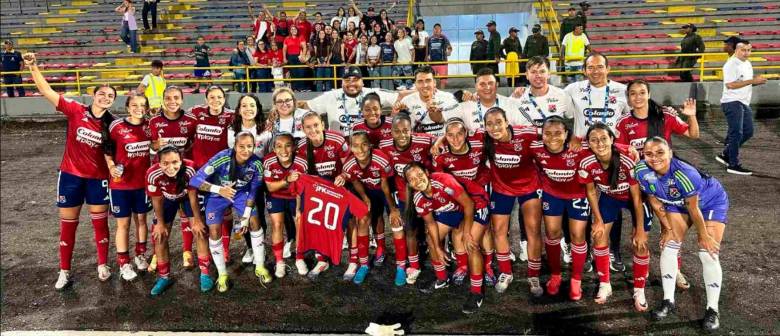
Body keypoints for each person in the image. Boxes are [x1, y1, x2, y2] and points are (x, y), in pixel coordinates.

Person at [24, 53, 116, 290]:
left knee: (100, 225)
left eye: (110, 96)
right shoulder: (76, 110)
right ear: (93, 95)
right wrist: (33, 67)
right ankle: (64, 271)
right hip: (70, 177)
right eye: (102, 94)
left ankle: (103, 265)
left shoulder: (113, 124)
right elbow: (47, 92)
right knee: (68, 224)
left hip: (98, 180)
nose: (106, 98)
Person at [636, 137, 728, 331]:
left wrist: (703, 237)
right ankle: (668, 300)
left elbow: (693, 209)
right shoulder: (641, 170)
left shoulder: (683, 173)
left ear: (670, 151)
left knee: (707, 252)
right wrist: (667, 229)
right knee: (668, 247)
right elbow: (653, 199)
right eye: (649, 154)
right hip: (677, 203)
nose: (654, 158)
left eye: (660, 152)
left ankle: (713, 309)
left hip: (709, 202)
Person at [578, 123, 651, 308]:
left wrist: (640, 228)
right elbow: (591, 192)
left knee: (640, 242)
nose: (599, 143)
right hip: (610, 198)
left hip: (635, 199)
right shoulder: (587, 163)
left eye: (604, 138)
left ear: (612, 139)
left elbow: (636, 198)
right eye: (594, 140)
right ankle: (605, 284)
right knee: (599, 236)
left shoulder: (626, 159)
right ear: (589, 143)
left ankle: (639, 290)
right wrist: (598, 221)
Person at [190, 132, 269, 292]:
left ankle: (260, 266)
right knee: (214, 231)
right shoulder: (222, 157)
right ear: (234, 146)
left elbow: (253, 190)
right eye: (241, 146)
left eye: (249, 146)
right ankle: (222, 274)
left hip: (241, 194)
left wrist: (246, 216)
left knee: (255, 221)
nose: (246, 150)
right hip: (217, 195)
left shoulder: (257, 164)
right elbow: (195, 180)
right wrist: (219, 189)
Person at [402, 163, 489, 304]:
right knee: (431, 239)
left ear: (427, 172)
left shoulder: (444, 181)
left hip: (475, 201)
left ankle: (477, 292)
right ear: (409, 184)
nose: (418, 180)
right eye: (412, 179)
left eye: (419, 175)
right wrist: (437, 247)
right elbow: (430, 224)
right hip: (454, 207)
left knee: (471, 243)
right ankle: (442, 278)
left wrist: (467, 234)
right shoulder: (418, 199)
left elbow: (469, 205)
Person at [481, 107, 543, 295]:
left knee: (533, 230)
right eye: (489, 124)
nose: (494, 127)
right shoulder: (484, 138)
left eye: (498, 122)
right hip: (501, 189)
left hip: (529, 187)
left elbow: (552, 132)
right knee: (498, 230)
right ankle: (506, 272)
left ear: (507, 121)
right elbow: (457, 134)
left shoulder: (527, 134)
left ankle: (533, 274)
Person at [431, 119, 497, 292]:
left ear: (466, 133)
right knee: (458, 229)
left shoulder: (478, 142)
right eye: (450, 136)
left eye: (459, 134)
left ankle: (488, 267)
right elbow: (439, 180)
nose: (455, 139)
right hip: (459, 198)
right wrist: (439, 141)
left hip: (480, 195)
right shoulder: (441, 156)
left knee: (483, 233)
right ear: (445, 137)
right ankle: (462, 266)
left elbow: (495, 130)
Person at [529, 117, 589, 300]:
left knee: (578, 236)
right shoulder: (536, 149)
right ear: (541, 134)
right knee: (552, 233)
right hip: (552, 194)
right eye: (547, 133)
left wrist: (629, 149)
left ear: (566, 134)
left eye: (558, 133)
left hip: (578, 195)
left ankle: (576, 280)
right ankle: (555, 275)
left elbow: (606, 143)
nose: (552, 137)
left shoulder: (579, 149)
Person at [378, 113, 435, 285]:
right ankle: (413, 266)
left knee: (433, 230)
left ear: (411, 130)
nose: (402, 135)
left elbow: (442, 140)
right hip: (405, 197)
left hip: (427, 193)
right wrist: (393, 208)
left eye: (405, 130)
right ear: (391, 132)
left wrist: (438, 144)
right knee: (410, 231)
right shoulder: (385, 145)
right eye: (397, 131)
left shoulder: (424, 141)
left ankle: (439, 262)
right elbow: (385, 181)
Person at [294, 112, 352, 279]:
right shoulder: (302, 147)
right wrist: (299, 207)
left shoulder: (337, 139)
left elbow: (348, 166)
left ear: (323, 125)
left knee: (347, 221)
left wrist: (343, 178)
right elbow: (302, 179)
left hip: (339, 188)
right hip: (318, 190)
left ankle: (353, 260)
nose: (313, 130)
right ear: (303, 129)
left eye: (316, 125)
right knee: (314, 218)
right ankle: (322, 258)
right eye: (308, 127)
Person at [145, 145, 207, 295]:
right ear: (159, 163)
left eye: (175, 162)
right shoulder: (152, 174)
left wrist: (197, 220)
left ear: (181, 161)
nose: (171, 167)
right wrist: (160, 224)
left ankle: (205, 274)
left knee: (200, 231)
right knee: (159, 236)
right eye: (165, 163)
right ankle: (164, 277)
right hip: (166, 199)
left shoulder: (190, 168)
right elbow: (157, 200)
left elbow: (193, 197)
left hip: (187, 197)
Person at [339, 131, 399, 283]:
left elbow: (385, 186)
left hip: (384, 189)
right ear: (351, 147)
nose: (360, 149)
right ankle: (364, 264)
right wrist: (365, 197)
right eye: (355, 146)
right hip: (366, 190)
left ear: (370, 145)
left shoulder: (381, 159)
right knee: (363, 220)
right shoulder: (349, 164)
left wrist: (392, 209)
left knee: (382, 217)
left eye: (364, 145)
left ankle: (382, 249)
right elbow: (355, 181)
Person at [148, 86, 198, 270]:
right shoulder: (153, 121)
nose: (172, 101)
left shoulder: (191, 121)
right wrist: (155, 145)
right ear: (163, 99)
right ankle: (156, 255)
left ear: (182, 100)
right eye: (168, 98)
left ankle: (187, 252)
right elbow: (151, 148)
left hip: (184, 176)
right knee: (160, 218)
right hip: (163, 178)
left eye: (176, 98)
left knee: (186, 213)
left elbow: (194, 144)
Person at [104, 94, 152, 282]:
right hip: (121, 185)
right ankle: (124, 262)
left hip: (143, 184)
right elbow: (107, 150)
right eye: (134, 105)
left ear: (147, 107)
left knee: (141, 220)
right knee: (123, 224)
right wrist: (111, 167)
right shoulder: (117, 127)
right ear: (127, 107)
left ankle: (140, 254)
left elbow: (156, 146)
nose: (138, 108)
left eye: (142, 105)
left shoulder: (150, 126)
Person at [228, 94, 271, 265]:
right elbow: (232, 156)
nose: (248, 109)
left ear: (258, 108)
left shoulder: (266, 129)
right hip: (241, 180)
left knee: (259, 212)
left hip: (260, 179)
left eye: (252, 105)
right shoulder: (232, 130)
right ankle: (250, 247)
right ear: (239, 109)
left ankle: (260, 245)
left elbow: (268, 154)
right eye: (244, 105)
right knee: (244, 213)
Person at [300, 66, 399, 134]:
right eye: (347, 80)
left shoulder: (372, 93)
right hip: (339, 146)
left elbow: (399, 97)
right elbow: (305, 106)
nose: (351, 83)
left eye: (355, 80)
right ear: (341, 83)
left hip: (367, 144)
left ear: (363, 82)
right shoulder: (332, 95)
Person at [717, 40, 766, 175]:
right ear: (737, 50)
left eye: (749, 50)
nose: (746, 53)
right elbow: (730, 85)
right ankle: (733, 164)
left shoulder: (747, 63)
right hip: (732, 102)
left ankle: (726, 154)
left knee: (748, 132)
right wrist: (752, 81)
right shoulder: (731, 64)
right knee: (736, 133)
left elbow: (744, 83)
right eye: (743, 50)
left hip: (743, 102)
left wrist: (756, 82)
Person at [263, 133, 307, 278]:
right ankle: (280, 261)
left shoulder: (301, 162)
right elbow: (269, 187)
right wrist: (286, 180)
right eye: (279, 146)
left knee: (299, 223)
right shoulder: (269, 161)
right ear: (274, 149)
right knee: (277, 225)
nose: (284, 150)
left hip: (295, 196)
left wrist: (299, 209)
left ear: (294, 147)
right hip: (276, 196)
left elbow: (302, 188)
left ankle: (299, 258)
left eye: (288, 145)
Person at [564, 53, 630, 144]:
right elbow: (562, 117)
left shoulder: (623, 90)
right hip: (582, 147)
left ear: (608, 69)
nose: (595, 71)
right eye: (591, 67)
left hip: (611, 146)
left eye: (600, 67)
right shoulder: (572, 89)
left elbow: (632, 119)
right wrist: (571, 137)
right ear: (584, 70)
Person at [616, 79, 700, 151]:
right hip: (638, 167)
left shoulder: (666, 115)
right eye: (633, 93)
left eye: (642, 93)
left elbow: (693, 134)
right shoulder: (623, 122)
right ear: (628, 97)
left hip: (664, 166)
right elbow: (620, 150)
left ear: (649, 95)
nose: (638, 97)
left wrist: (692, 116)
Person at [513, 56, 576, 129]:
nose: (538, 75)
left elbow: (572, 120)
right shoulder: (517, 96)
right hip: (527, 139)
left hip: (553, 139)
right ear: (527, 75)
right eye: (533, 72)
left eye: (542, 71)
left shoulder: (562, 95)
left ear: (549, 74)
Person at [398, 65, 459, 137]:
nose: (425, 85)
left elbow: (457, 125)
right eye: (420, 81)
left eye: (428, 80)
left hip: (445, 142)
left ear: (434, 83)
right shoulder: (406, 101)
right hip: (420, 144)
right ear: (415, 84)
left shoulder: (449, 98)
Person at [425, 24, 452, 89]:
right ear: (433, 30)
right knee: (432, 80)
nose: (436, 30)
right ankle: (434, 95)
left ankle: (442, 94)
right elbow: (427, 49)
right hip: (432, 63)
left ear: (441, 30)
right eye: (435, 28)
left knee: (443, 81)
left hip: (442, 63)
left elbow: (449, 47)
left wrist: (449, 51)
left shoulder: (444, 38)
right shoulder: (430, 39)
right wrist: (426, 57)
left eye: (438, 29)